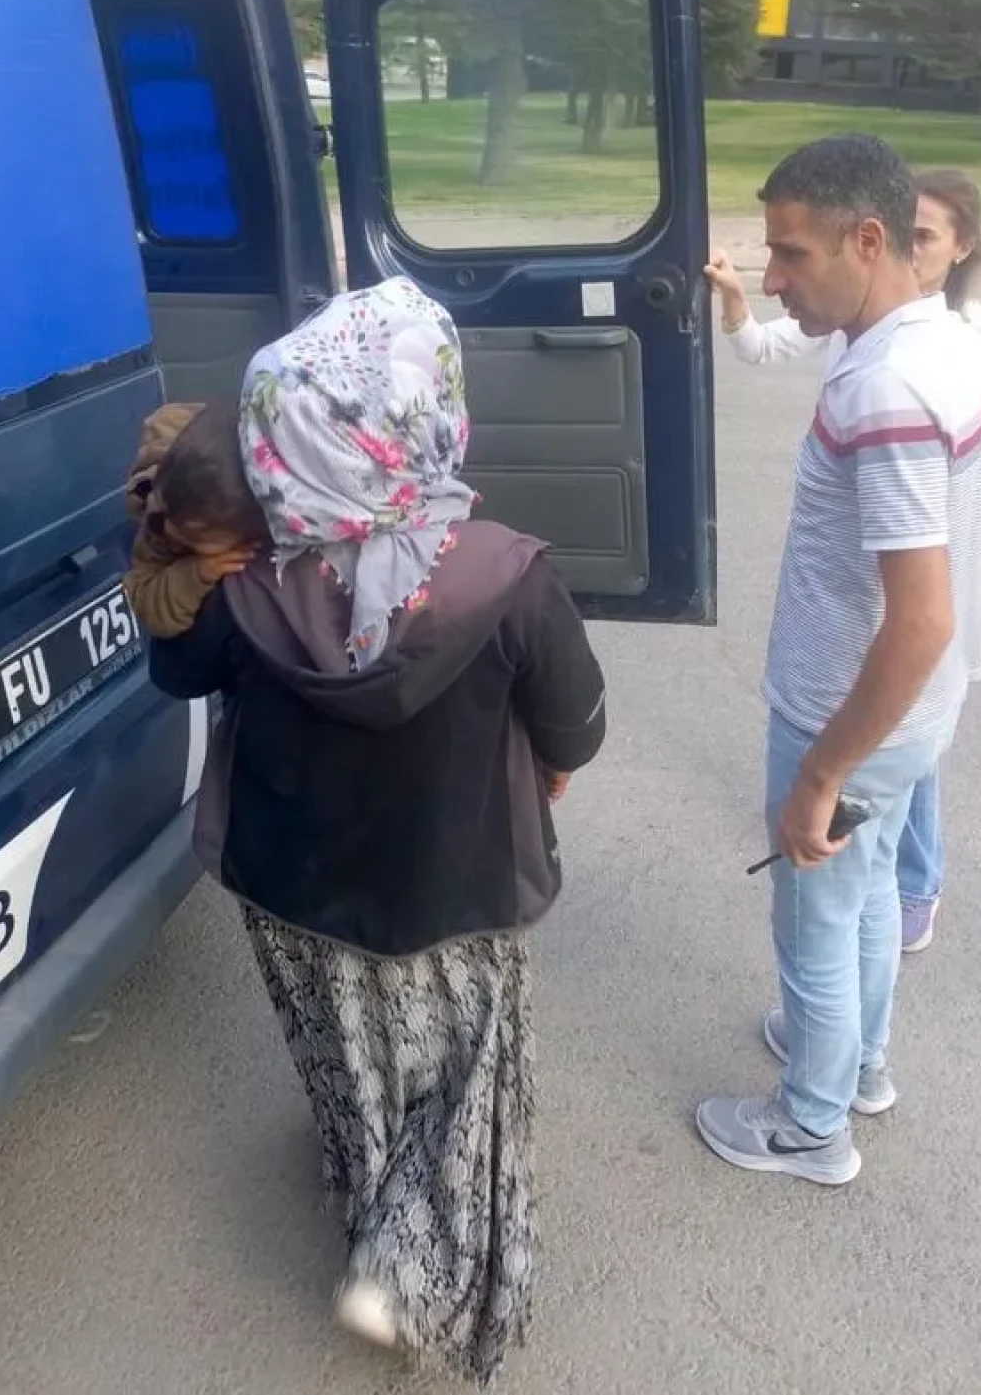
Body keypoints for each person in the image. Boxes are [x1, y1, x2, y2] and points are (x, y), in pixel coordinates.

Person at [147, 279, 607, 1383]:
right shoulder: (504, 572)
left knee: (346, 1053)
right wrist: (552, 760)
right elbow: (576, 723)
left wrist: (182, 565)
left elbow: (176, 671)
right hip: (458, 883)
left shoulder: (243, 576)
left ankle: (368, 1198)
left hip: (291, 881)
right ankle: (401, 1270)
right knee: (465, 1072)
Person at [696, 136, 981, 1187]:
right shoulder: (953, 345)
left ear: (868, 241)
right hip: (914, 712)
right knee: (867, 892)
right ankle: (859, 1064)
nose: (773, 278)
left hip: (848, 710)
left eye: (791, 253)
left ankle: (809, 1127)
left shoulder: (887, 388)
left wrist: (822, 770)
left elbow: (917, 618)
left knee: (816, 923)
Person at [124, 397, 264, 638]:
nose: (169, 528)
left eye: (192, 532)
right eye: (166, 512)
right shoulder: (160, 517)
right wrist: (195, 574)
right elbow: (143, 597)